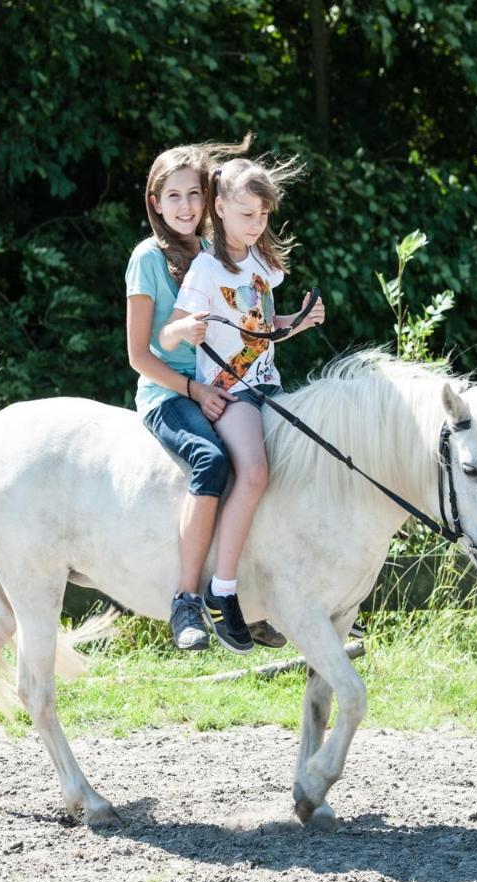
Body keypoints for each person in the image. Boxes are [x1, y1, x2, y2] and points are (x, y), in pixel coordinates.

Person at [125, 138, 287, 653]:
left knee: (265, 465)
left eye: (194, 195)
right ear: (155, 202)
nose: (186, 207)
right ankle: (186, 600)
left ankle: (248, 594)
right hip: (169, 390)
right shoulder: (147, 258)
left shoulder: (215, 256)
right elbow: (141, 356)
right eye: (173, 197)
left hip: (219, 385)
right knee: (210, 460)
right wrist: (192, 387)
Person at [159, 155, 324, 653]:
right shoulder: (205, 271)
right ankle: (221, 590)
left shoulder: (263, 266)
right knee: (252, 472)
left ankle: (317, 593)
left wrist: (298, 319)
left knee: (309, 467)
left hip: (268, 383)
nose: (258, 225)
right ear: (221, 207)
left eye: (264, 216)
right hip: (232, 394)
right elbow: (168, 336)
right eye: (249, 214)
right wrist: (185, 330)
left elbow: (260, 329)